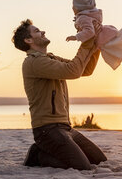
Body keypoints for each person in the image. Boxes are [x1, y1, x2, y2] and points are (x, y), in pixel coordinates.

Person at [12, 19, 107, 170]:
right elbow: (73, 71)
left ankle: (43, 152)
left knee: (100, 161)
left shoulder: (51, 58)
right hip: (48, 130)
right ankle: (38, 155)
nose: (43, 32)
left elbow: (85, 70)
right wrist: (87, 40)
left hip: (66, 128)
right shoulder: (34, 62)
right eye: (37, 31)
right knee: (83, 168)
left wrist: (96, 43)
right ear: (28, 40)